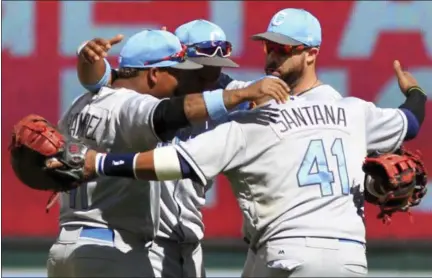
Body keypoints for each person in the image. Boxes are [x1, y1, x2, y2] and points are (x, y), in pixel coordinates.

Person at [47, 58, 426, 277]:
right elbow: (410, 122)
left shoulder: (250, 120)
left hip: (278, 253)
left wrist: (101, 163)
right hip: (347, 256)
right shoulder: (349, 113)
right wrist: (417, 93)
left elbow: (173, 159)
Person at [47, 29, 289, 278]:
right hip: (115, 249)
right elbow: (167, 113)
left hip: (67, 246)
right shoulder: (132, 105)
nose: (182, 82)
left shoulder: (77, 106)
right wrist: (240, 95)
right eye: (177, 73)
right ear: (154, 74)